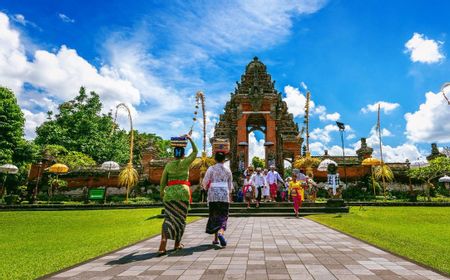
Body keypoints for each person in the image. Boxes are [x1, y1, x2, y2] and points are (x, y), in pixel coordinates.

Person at [158, 134, 198, 255]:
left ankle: (163, 244)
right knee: (181, 219)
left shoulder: (168, 165)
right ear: (183, 154)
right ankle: (176, 243)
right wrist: (190, 138)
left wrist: (162, 193)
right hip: (183, 193)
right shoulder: (186, 162)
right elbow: (196, 151)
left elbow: (162, 182)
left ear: (174, 154)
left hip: (169, 194)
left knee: (168, 218)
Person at [203, 151, 233, 247]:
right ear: (224, 160)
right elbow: (230, 185)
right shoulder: (228, 170)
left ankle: (216, 239)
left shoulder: (211, 169)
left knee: (214, 215)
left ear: (215, 159)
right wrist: (229, 194)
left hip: (213, 195)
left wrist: (205, 188)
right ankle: (221, 232)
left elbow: (205, 181)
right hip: (224, 194)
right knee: (223, 215)